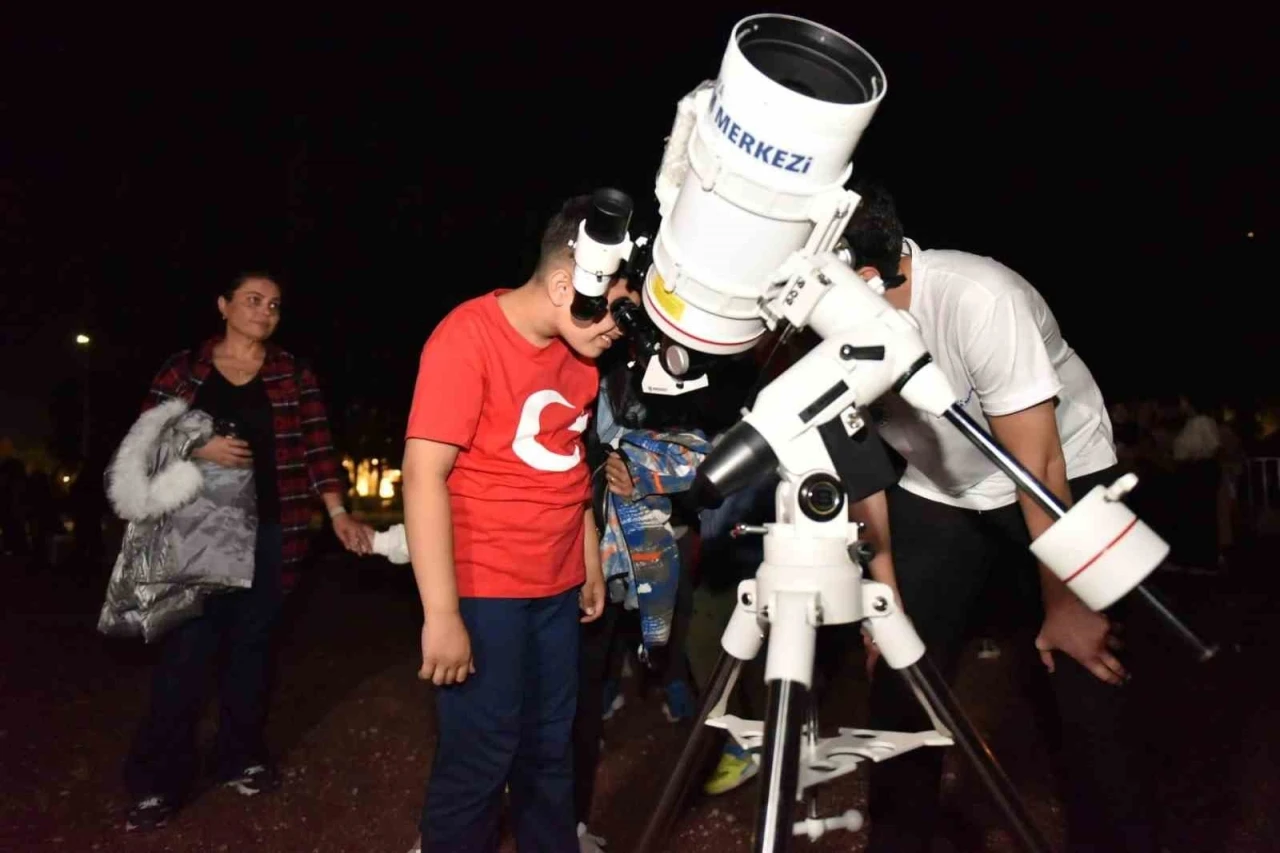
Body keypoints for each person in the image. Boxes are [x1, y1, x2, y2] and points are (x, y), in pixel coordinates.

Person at [841, 182, 1156, 853]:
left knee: (1088, 667)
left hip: (1069, 470)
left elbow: (1038, 464)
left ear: (862, 276)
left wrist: (1065, 602)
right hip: (939, 487)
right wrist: (884, 601)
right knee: (900, 681)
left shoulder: (980, 297)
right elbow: (861, 473)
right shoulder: (830, 329)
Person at [401, 195, 632, 853]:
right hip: (486, 588)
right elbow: (422, 476)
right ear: (566, 286)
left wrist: (587, 555)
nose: (619, 330)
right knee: (482, 754)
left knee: (550, 748)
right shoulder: (467, 337)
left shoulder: (580, 355)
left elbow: (567, 461)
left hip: (556, 588)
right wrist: (441, 614)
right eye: (614, 311)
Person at [122, 273, 373, 831]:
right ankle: (157, 781)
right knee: (187, 653)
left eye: (274, 304)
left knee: (252, 651)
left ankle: (240, 756)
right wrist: (198, 443)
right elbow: (144, 438)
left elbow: (317, 446)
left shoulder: (292, 373)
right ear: (224, 305)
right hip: (195, 533)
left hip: (272, 531)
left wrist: (337, 513)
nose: (265, 311)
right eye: (253, 301)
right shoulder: (184, 370)